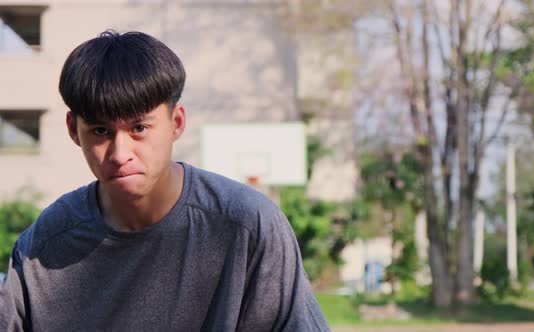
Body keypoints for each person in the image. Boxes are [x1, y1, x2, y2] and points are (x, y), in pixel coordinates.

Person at [0, 30, 330, 331]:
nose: (120, 152)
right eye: (100, 131)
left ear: (176, 122)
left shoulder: (248, 226)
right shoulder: (43, 246)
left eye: (139, 128)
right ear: (74, 130)